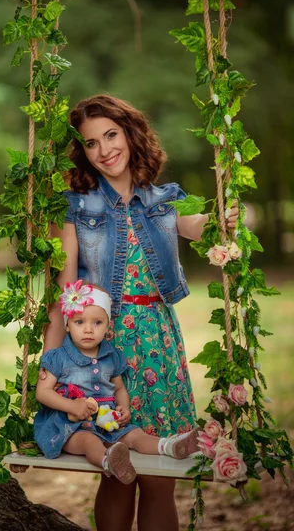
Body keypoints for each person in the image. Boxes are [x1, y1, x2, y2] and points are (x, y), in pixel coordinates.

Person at [42, 95, 239, 531]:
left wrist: (224, 216)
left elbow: (199, 225)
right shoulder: (75, 206)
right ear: (84, 152)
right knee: (118, 472)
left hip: (159, 344)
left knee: (160, 479)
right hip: (102, 347)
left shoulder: (164, 198)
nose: (105, 149)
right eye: (92, 143)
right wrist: (48, 366)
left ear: (130, 134)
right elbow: (65, 294)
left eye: (111, 135)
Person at [35, 280, 200, 485]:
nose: (89, 330)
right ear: (67, 324)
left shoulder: (111, 356)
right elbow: (43, 392)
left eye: (97, 323)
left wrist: (124, 408)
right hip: (70, 427)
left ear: (107, 325)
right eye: (80, 322)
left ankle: (169, 446)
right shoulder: (58, 358)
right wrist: (71, 405)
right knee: (89, 442)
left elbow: (119, 388)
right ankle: (109, 460)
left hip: (108, 422)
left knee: (135, 434)